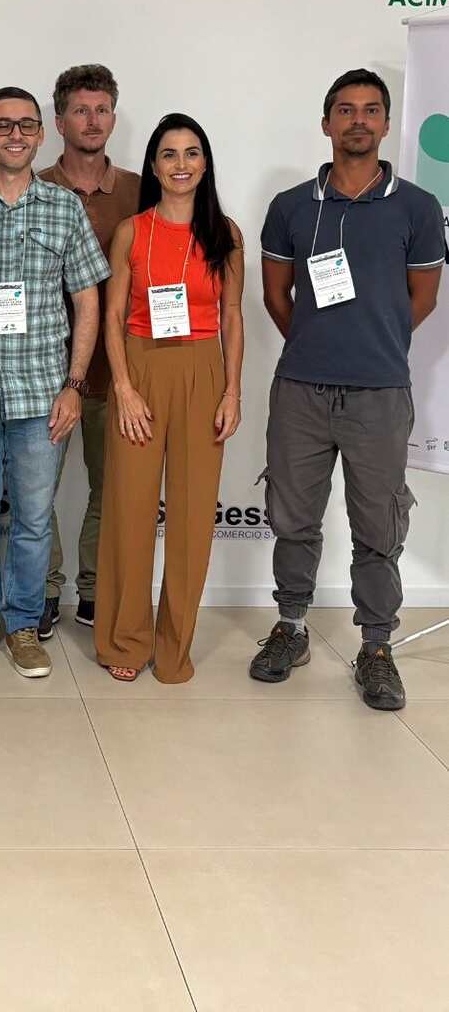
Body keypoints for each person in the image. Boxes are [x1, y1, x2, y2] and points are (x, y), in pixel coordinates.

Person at [249, 69, 444, 710]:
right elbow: (277, 295)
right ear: (326, 122)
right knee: (292, 518)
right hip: (300, 390)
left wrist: (371, 342)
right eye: (345, 109)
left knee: (379, 525)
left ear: (386, 123)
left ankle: (377, 648)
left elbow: (422, 299)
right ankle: (292, 627)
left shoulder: (417, 208)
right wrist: (317, 342)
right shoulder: (291, 207)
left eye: (370, 110)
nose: (358, 120)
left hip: (379, 393)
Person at [0, 87, 108, 678]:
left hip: (42, 396)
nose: (15, 134)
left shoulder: (64, 209)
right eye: (2, 125)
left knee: (33, 522)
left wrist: (74, 385)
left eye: (26, 125)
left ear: (41, 135)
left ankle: (25, 626)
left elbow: (87, 301)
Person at [94, 113, 244, 683]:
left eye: (192, 152)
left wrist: (232, 391)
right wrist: (124, 387)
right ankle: (126, 641)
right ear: (154, 166)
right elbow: (111, 315)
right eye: (169, 154)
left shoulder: (225, 233)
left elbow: (233, 316)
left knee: (191, 518)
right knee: (129, 513)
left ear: (205, 163)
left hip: (203, 371)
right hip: (140, 368)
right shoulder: (132, 231)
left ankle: (175, 646)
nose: (181, 164)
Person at [37, 64, 140, 636]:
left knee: (112, 489)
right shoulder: (33, 187)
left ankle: (97, 589)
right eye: (81, 110)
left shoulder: (140, 192)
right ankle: (43, 589)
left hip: (118, 372)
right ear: (60, 122)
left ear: (114, 119)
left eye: (102, 110)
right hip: (41, 372)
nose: (93, 120)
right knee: (35, 492)